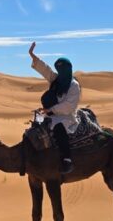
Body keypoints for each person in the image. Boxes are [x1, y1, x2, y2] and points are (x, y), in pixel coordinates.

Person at [28, 41, 79, 175]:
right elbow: (45, 70)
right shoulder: (56, 79)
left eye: (62, 70)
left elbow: (69, 106)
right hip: (50, 113)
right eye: (58, 70)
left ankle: (67, 160)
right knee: (35, 127)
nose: (60, 73)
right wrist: (33, 56)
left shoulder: (74, 86)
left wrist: (50, 110)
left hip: (65, 117)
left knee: (58, 129)